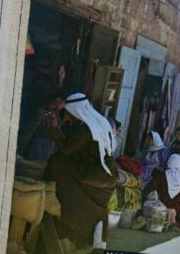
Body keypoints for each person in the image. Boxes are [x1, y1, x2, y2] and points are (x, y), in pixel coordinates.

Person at [45, 93, 117, 249]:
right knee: (96, 211)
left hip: (94, 175)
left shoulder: (85, 130)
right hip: (107, 174)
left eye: (70, 114)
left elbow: (65, 149)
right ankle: (96, 242)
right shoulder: (100, 122)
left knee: (58, 164)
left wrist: (55, 128)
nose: (69, 117)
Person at [143, 154, 180, 232]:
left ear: (169, 162)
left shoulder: (162, 175)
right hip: (176, 209)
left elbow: (150, 188)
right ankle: (174, 222)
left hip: (161, 206)